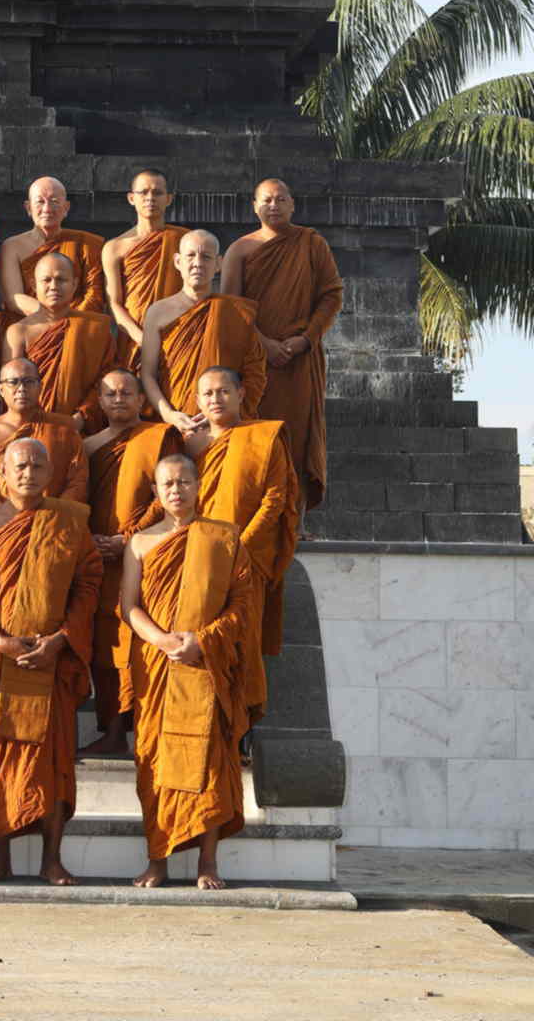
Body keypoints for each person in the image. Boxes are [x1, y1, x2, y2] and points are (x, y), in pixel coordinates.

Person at [0, 437, 101, 885]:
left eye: (38, 465)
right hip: (2, 659)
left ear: (51, 473)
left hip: (53, 659)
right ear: (2, 471)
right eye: (19, 465)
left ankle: (52, 859)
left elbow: (88, 585)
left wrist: (62, 640)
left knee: (56, 761)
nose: (28, 472)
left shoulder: (70, 520)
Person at [124, 451, 254, 890]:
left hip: (206, 665)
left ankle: (208, 864)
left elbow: (242, 604)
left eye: (183, 482)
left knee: (210, 763)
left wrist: (204, 639)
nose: (176, 490)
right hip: (158, 666)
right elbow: (129, 607)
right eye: (167, 484)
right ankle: (157, 860)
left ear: (198, 486)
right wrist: (161, 640)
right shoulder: (140, 542)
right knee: (156, 763)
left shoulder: (224, 537)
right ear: (156, 493)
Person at [181, 366, 299, 726]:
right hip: (196, 559)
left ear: (241, 394)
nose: (215, 399)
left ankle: (240, 728)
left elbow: (274, 500)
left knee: (241, 643)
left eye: (223, 392)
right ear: (197, 400)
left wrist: (238, 548)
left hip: (245, 558)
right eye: (207, 394)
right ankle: (200, 723)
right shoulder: (189, 445)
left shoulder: (264, 436)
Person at [221, 179, 343, 509]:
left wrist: (306, 339)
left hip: (301, 358)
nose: (273, 206)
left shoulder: (311, 243)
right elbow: (231, 306)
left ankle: (296, 518)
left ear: (292, 204)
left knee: (299, 436)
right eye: (266, 200)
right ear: (254, 206)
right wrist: (263, 343)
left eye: (280, 199)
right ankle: (259, 512)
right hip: (255, 360)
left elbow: (331, 296)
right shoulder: (240, 250)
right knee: (257, 434)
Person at [79, 368, 180, 757]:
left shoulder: (159, 437)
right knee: (106, 646)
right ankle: (113, 728)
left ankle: (147, 729)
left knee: (141, 637)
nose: (118, 399)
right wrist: (90, 538)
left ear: (142, 400)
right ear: (100, 403)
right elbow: (75, 492)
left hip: (144, 553)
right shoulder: (88, 446)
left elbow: (167, 492)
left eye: (126, 393)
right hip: (97, 556)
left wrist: (129, 536)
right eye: (110, 394)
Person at [138, 231, 266, 445]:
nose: (198, 263)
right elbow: (147, 375)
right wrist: (170, 415)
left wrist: (225, 414)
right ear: (178, 261)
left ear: (218, 264)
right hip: (175, 424)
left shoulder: (236, 311)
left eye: (206, 257)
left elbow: (255, 373)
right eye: (190, 256)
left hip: (226, 425)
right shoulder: (157, 312)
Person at [4, 251, 119, 431]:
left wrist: (81, 417)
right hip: (31, 427)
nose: (54, 286)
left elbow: (107, 378)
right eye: (46, 280)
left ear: (74, 285)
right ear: (34, 285)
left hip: (83, 428)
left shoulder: (96, 326)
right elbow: (12, 385)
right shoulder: (19, 331)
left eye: (61, 280)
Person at [0, 358, 89, 511]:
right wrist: (13, 523)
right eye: (13, 382)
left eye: (29, 381)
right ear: (1, 390)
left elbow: (78, 483)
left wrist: (51, 516)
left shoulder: (63, 426)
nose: (21, 388)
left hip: (53, 522)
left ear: (40, 387)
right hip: (2, 524)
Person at [101, 170, 189, 369]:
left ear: (168, 199)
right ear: (132, 198)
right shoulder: (115, 247)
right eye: (143, 193)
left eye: (157, 193)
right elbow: (114, 304)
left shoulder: (185, 240)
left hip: (177, 334)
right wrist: (142, 339)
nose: (150, 198)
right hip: (134, 338)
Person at [0, 175, 106, 322]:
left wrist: (71, 323)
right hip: (31, 328)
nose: (47, 209)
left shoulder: (86, 244)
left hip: (77, 326)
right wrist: (54, 318)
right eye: (40, 202)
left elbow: (94, 294)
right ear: (28, 208)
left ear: (66, 207)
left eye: (54, 201)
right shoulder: (12, 246)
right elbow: (14, 298)